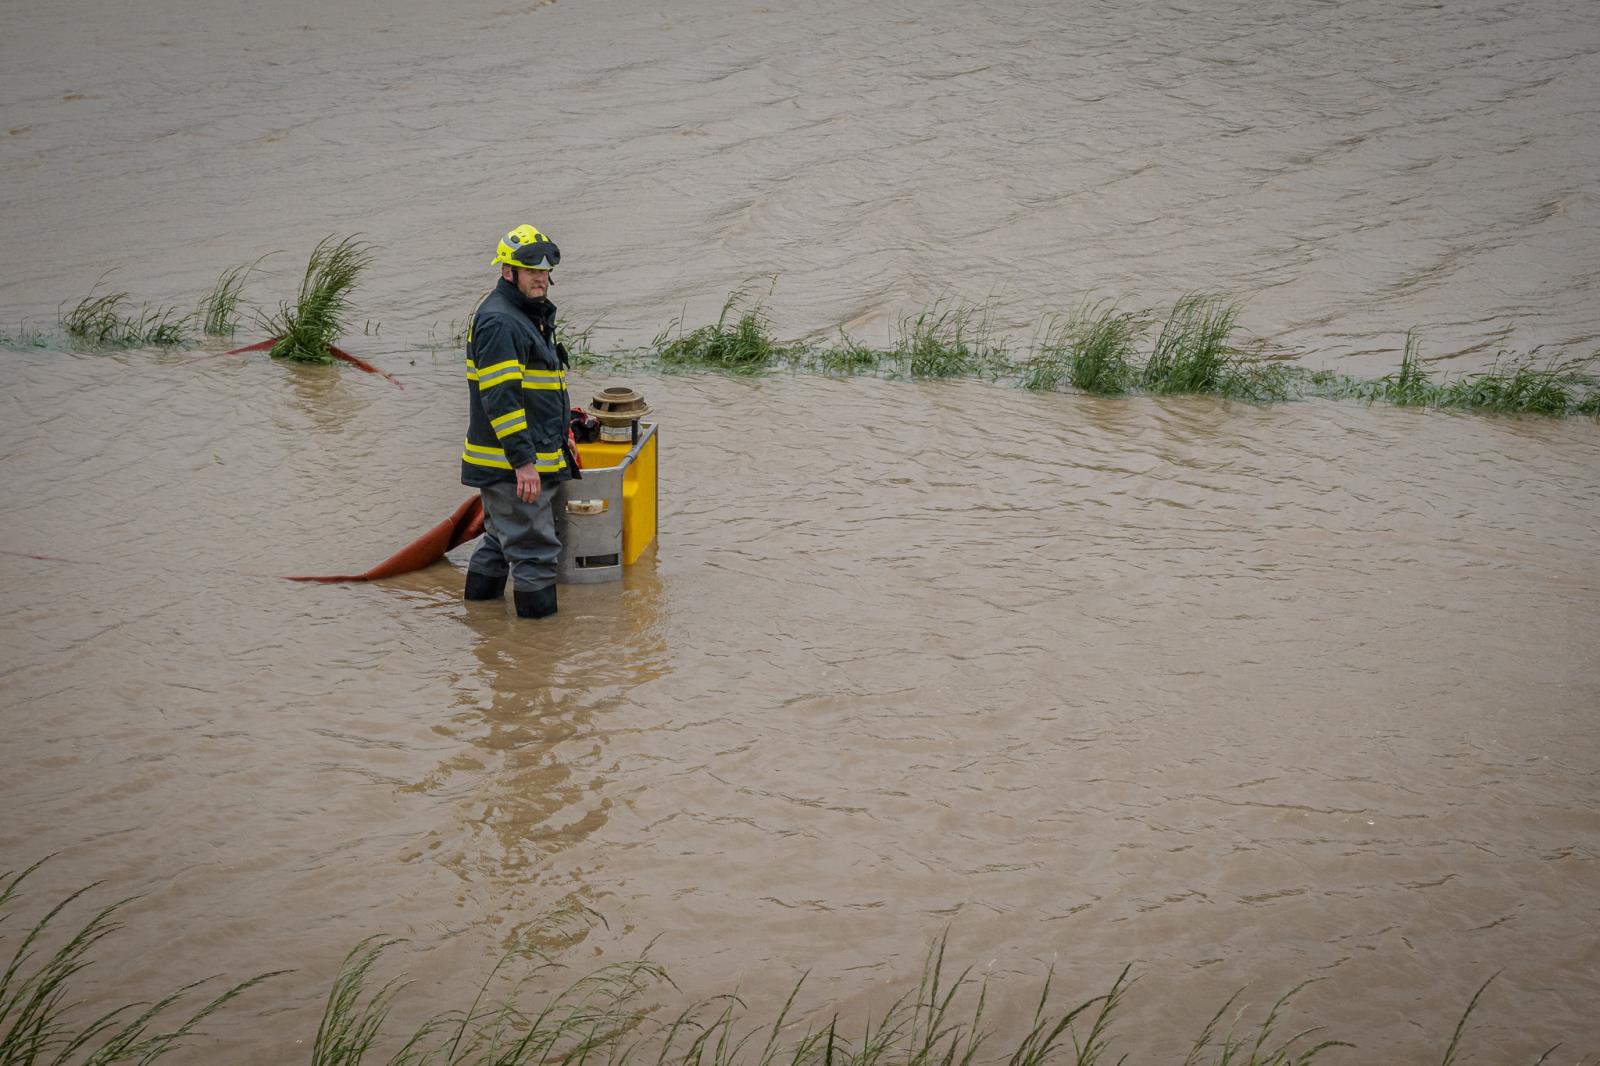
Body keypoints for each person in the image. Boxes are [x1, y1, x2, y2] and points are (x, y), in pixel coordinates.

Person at [460, 223, 575, 618]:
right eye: (531, 271)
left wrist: (564, 436)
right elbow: (502, 400)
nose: (540, 279)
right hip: (513, 465)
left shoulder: (526, 315)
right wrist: (524, 462)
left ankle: (481, 622)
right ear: (507, 272)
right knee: (534, 552)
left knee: (498, 540)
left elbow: (539, 392)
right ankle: (537, 658)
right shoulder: (501, 322)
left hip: (520, 459)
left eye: (544, 271)